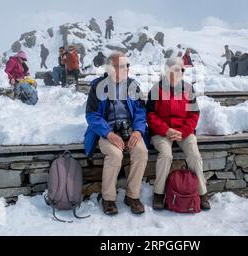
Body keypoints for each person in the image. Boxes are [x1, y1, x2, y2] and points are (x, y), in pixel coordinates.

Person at [84, 52, 148, 215]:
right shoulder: (98, 87)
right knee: (114, 154)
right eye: (119, 66)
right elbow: (92, 115)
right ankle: (108, 198)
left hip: (130, 131)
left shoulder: (133, 86)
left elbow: (141, 111)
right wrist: (109, 134)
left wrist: (139, 131)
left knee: (141, 152)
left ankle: (132, 196)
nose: (125, 69)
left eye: (126, 66)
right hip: (107, 132)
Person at [147, 57, 210, 211]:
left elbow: (194, 114)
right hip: (162, 132)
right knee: (166, 155)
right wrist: (166, 130)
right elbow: (150, 115)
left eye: (182, 69)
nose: (179, 72)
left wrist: (182, 132)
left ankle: (202, 194)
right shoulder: (156, 89)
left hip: (184, 131)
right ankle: (158, 194)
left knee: (194, 155)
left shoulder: (188, 89)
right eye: (175, 69)